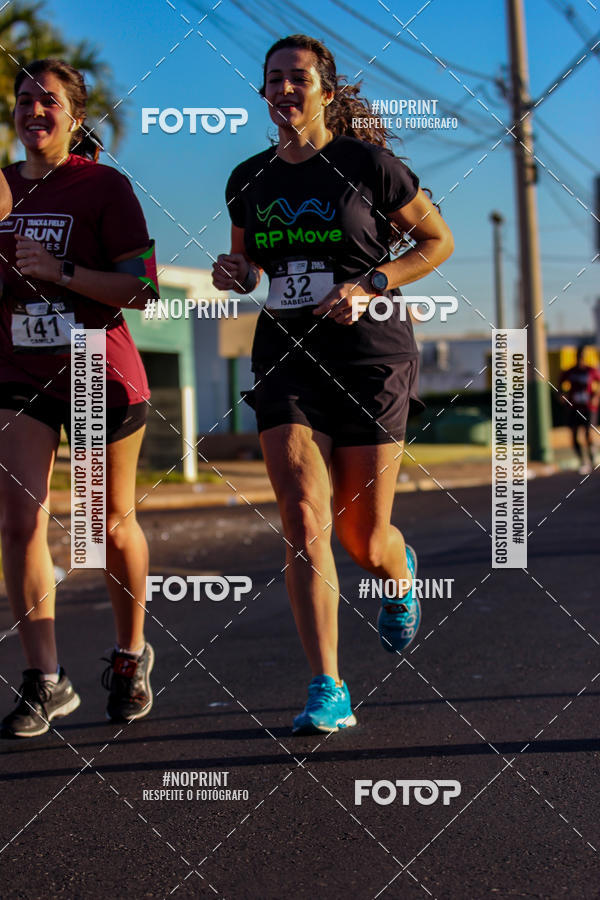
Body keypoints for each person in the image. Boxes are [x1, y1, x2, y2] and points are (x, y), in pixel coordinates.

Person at [213, 35, 454, 735]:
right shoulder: (247, 178)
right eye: (274, 80)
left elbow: (436, 243)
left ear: (325, 89)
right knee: (300, 517)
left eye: (298, 79)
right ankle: (329, 684)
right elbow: (246, 264)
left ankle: (398, 570)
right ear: (263, 92)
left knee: (361, 537)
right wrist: (237, 274)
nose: (286, 90)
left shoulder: (368, 165)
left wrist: (373, 282)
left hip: (371, 354)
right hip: (287, 351)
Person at [0, 58, 160, 738]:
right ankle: (46, 678)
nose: (36, 111)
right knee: (19, 521)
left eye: (50, 102)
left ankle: (130, 656)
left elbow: (141, 289)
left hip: (98, 368)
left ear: (75, 115)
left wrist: (58, 270)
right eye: (25, 99)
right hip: (19, 370)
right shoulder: (1, 189)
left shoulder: (103, 186)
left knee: (104, 525)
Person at [559, 346, 599, 475]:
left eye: (582, 356)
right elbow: (560, 385)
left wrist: (596, 396)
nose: (580, 359)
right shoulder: (570, 371)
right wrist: (562, 395)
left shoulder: (591, 371)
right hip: (574, 407)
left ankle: (592, 457)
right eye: (578, 356)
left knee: (588, 433)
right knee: (574, 434)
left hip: (588, 407)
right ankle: (583, 460)